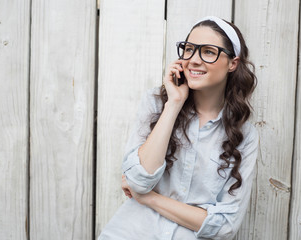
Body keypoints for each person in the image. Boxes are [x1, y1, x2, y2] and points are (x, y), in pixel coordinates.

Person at [99, 16, 259, 240]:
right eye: (189, 49)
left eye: (209, 52)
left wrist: (149, 198)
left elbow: (224, 227)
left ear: (233, 63)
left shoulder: (245, 136)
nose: (194, 60)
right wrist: (173, 104)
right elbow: (138, 180)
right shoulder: (157, 105)